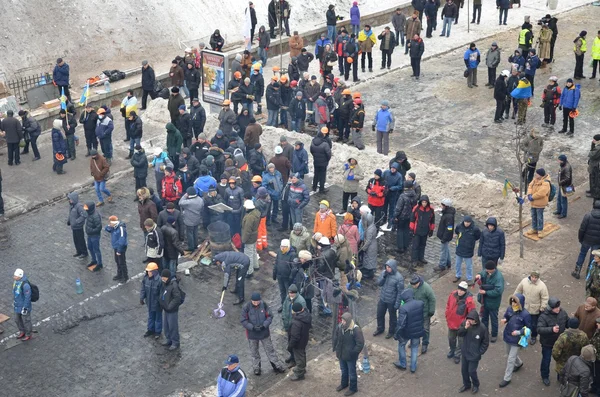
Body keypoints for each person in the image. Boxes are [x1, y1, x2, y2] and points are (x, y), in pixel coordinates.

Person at [241, 292, 286, 376]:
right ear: (251, 301)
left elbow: (270, 316)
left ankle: (276, 365)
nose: (256, 303)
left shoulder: (264, 305)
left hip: (264, 332)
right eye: (254, 301)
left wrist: (264, 325)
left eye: (257, 301)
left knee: (270, 350)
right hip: (252, 334)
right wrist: (252, 327)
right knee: (254, 352)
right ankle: (256, 367)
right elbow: (243, 320)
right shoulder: (246, 307)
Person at [498, 294, 531, 388]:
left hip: (517, 340)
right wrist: (504, 319)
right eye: (512, 301)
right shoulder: (509, 309)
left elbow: (529, 329)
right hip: (508, 335)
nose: (513, 304)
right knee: (509, 353)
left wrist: (518, 332)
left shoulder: (526, 315)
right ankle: (519, 363)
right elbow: (506, 316)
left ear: (520, 303)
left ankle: (507, 378)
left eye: (515, 302)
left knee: (510, 359)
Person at [537, 297, 569, 386]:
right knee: (546, 360)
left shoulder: (562, 312)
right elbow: (539, 329)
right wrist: (551, 329)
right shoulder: (543, 316)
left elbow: (567, 322)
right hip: (547, 343)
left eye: (558, 307)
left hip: (560, 343)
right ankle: (545, 376)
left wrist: (572, 323)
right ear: (550, 308)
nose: (558, 309)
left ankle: (560, 375)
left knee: (561, 360)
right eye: (556, 308)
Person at [456, 309, 489, 393]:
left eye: (471, 320)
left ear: (476, 320)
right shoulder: (465, 324)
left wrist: (480, 352)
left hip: (474, 355)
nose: (469, 321)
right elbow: (459, 333)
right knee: (464, 371)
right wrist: (465, 328)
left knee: (471, 371)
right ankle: (467, 384)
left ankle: (476, 385)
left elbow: (485, 342)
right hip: (465, 353)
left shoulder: (482, 328)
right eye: (468, 319)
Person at [333, 312, 364, 395]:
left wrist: (353, 353)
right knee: (343, 370)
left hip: (350, 356)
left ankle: (353, 388)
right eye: (342, 320)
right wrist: (335, 348)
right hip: (341, 354)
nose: (342, 322)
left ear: (348, 321)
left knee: (352, 372)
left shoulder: (356, 330)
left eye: (344, 321)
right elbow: (336, 337)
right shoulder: (340, 327)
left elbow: (360, 344)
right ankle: (344, 384)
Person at [393, 288, 424, 373]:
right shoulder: (420, 303)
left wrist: (396, 334)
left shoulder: (403, 308)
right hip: (417, 331)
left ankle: (403, 364)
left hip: (406, 332)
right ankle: (413, 367)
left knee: (401, 345)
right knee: (414, 348)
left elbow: (401, 324)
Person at [514, 271, 549, 345]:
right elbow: (518, 291)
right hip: (524, 308)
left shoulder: (542, 286)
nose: (534, 279)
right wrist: (515, 300)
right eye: (533, 277)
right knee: (522, 323)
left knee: (534, 325)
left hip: (535, 310)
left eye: (536, 277)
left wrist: (542, 307)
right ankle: (523, 337)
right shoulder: (524, 282)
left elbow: (545, 298)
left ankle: (533, 336)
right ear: (530, 276)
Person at [446, 282, 477, 364]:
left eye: (462, 290)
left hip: (461, 326)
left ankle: (457, 355)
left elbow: (471, 313)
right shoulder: (452, 295)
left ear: (465, 291)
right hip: (451, 323)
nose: (459, 291)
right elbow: (448, 305)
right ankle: (452, 350)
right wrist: (447, 315)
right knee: (451, 339)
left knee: (461, 342)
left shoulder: (469, 300)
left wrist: (467, 324)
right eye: (459, 289)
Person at [374, 259, 404, 339]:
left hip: (392, 301)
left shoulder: (399, 278)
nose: (387, 268)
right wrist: (383, 277)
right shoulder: (384, 273)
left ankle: (391, 331)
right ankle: (380, 328)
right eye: (386, 267)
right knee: (379, 314)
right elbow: (379, 283)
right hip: (383, 298)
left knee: (393, 318)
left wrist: (397, 304)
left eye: (389, 267)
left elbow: (400, 292)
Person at [475, 261, 505, 342]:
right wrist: (479, 274)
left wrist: (486, 292)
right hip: (485, 302)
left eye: (488, 270)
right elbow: (482, 273)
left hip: (493, 303)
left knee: (494, 319)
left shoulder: (499, 278)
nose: (486, 271)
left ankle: (494, 335)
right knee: (484, 318)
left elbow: (498, 291)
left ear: (493, 269)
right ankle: (485, 333)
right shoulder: (487, 272)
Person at [411, 275, 436, 353]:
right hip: (414, 313)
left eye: (415, 284)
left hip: (424, 313)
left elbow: (432, 299)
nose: (414, 286)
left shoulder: (426, 288)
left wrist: (431, 311)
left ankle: (425, 343)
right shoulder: (410, 286)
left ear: (419, 282)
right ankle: (415, 341)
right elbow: (406, 296)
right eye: (412, 285)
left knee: (425, 329)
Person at [158, 269, 182, 350]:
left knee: (173, 326)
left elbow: (177, 298)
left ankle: (175, 342)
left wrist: (169, 306)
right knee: (166, 326)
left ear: (167, 277)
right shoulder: (166, 283)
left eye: (164, 278)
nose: (162, 279)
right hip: (167, 309)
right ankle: (169, 339)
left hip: (172, 310)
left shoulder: (174, 285)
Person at [288, 301, 311, 381]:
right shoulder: (307, 315)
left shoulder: (296, 322)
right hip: (304, 340)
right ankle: (302, 369)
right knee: (302, 355)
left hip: (298, 344)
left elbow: (294, 337)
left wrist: (290, 346)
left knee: (299, 358)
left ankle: (299, 374)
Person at [523, 168, 551, 237]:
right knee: (533, 216)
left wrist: (532, 197)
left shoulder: (546, 183)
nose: (535, 174)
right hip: (533, 203)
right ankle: (534, 228)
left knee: (539, 217)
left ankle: (540, 230)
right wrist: (529, 194)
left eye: (537, 174)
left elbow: (541, 193)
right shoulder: (535, 179)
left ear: (541, 175)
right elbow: (530, 186)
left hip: (540, 203)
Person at [454, 215, 481, 284]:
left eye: (468, 222)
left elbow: (478, 236)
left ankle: (469, 278)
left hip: (468, 250)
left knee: (469, 266)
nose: (466, 223)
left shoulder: (475, 229)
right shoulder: (459, 226)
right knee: (457, 264)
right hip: (459, 248)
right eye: (465, 222)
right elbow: (457, 231)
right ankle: (458, 275)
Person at [409, 195, 435, 267]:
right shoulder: (416, 208)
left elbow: (432, 220)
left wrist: (431, 230)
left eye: (425, 202)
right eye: (423, 202)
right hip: (417, 230)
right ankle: (414, 259)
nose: (424, 203)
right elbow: (412, 220)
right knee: (415, 246)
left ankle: (421, 257)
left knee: (423, 245)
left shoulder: (431, 210)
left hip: (425, 230)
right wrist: (411, 229)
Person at [140, 262, 162, 338]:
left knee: (158, 318)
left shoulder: (159, 281)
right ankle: (150, 330)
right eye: (148, 271)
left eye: (150, 271)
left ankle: (158, 332)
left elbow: (162, 293)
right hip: (149, 302)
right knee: (151, 317)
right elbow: (143, 289)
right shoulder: (146, 279)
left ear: (154, 272)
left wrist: (160, 303)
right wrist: (142, 298)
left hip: (157, 304)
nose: (148, 272)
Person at [574, 216, 600, 280]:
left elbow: (582, 229)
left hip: (586, 240)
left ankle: (577, 271)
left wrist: (580, 239)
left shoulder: (588, 216)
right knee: (593, 257)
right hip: (597, 242)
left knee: (582, 254)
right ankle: (589, 274)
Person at [179, 187, 204, 252]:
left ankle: (191, 247)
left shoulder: (188, 202)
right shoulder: (200, 199)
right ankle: (195, 245)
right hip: (197, 218)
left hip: (189, 220)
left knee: (189, 234)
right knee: (195, 232)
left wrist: (184, 196)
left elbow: (180, 203)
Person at [273, 239, 297, 307]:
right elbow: (276, 262)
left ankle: (289, 305)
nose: (282, 248)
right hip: (280, 276)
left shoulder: (293, 255)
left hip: (287, 278)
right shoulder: (279, 251)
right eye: (281, 246)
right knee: (282, 292)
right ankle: (283, 305)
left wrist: (291, 277)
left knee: (289, 293)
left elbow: (294, 268)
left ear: (288, 247)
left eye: (284, 247)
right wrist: (274, 273)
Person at [105, 215, 129, 282]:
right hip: (116, 247)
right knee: (117, 261)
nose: (109, 224)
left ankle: (125, 276)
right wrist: (109, 226)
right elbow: (107, 228)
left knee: (122, 262)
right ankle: (119, 274)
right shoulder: (114, 227)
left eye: (110, 223)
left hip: (120, 248)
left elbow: (122, 240)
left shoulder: (121, 228)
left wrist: (119, 250)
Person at [436, 198, 455, 272]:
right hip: (444, 235)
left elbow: (449, 228)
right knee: (446, 249)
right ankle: (448, 263)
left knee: (443, 250)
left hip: (445, 236)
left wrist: (444, 238)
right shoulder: (447, 213)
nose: (441, 206)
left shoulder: (448, 216)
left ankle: (442, 265)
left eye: (442, 205)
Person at [242, 199, 260, 276]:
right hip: (254, 236)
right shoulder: (256, 213)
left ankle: (249, 271)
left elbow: (247, 231)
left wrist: (243, 240)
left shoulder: (249, 217)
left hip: (249, 238)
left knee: (248, 255)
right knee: (253, 251)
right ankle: (256, 266)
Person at [67, 192, 88, 259]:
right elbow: (71, 215)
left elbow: (84, 215)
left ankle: (84, 252)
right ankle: (78, 251)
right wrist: (69, 221)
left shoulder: (79, 206)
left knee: (81, 240)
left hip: (78, 227)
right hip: (73, 227)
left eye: (70, 199)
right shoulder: (72, 206)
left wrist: (77, 222)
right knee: (76, 240)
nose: (69, 200)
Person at [84, 201, 103, 271]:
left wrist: (91, 231)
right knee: (90, 247)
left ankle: (99, 264)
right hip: (89, 235)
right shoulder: (89, 213)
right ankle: (94, 260)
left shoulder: (96, 216)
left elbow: (99, 227)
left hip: (95, 236)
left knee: (96, 249)